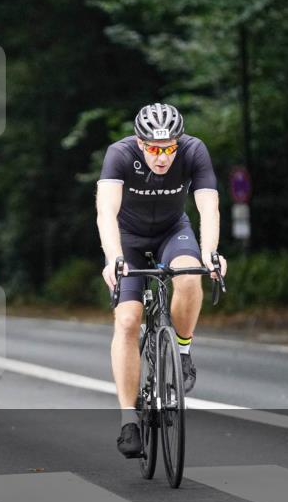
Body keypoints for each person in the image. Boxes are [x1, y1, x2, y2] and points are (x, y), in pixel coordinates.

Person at [96, 102, 226, 459]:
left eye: (169, 147)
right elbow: (105, 210)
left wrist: (211, 252)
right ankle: (128, 420)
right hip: (129, 239)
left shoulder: (194, 150)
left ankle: (182, 351)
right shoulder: (119, 154)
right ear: (140, 144)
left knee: (188, 275)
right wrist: (113, 258)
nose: (162, 156)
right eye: (154, 148)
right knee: (126, 320)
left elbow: (208, 206)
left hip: (173, 231)